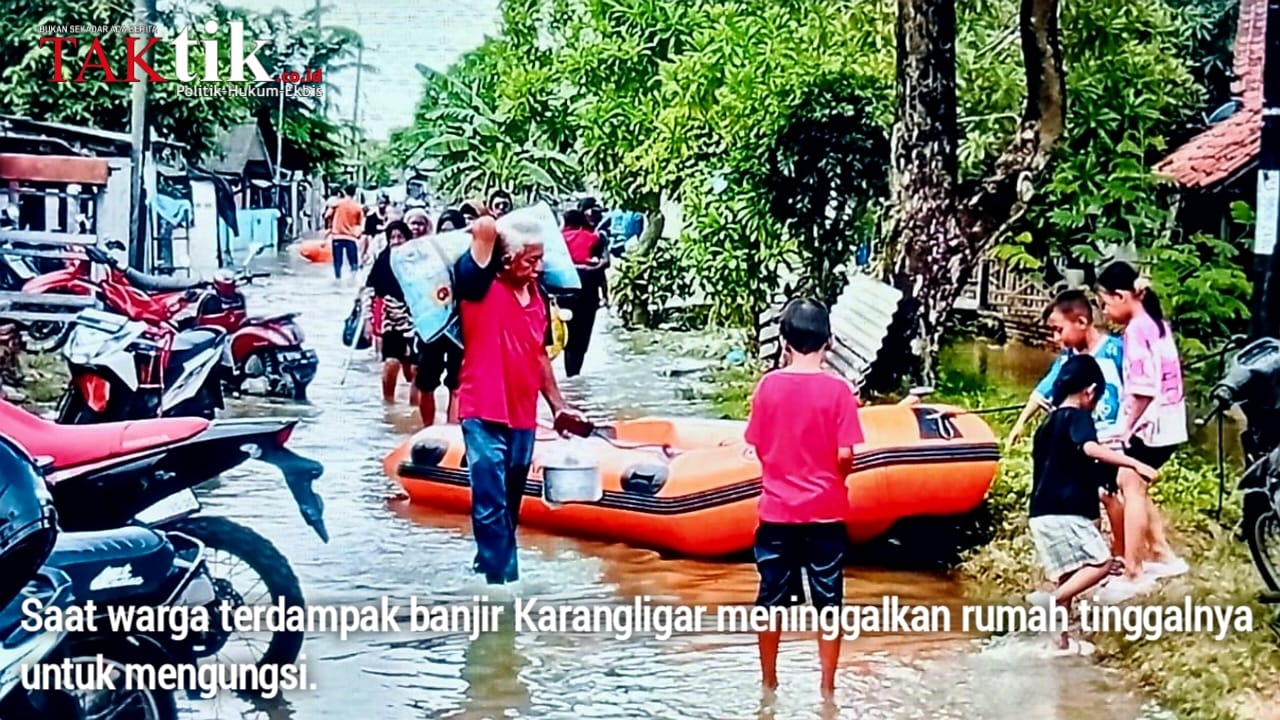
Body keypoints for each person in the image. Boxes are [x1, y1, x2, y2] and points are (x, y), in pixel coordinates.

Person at [454, 215, 585, 586]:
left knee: (510, 502)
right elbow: (484, 229)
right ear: (505, 261)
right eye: (529, 260)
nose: (538, 267)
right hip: (482, 408)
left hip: (522, 412)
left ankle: (487, 567)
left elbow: (539, 355)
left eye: (541, 259)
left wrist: (558, 406)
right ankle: (503, 586)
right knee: (490, 500)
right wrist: (485, 224)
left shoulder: (538, 297)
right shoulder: (477, 285)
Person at [743, 299, 862, 699]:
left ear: (783, 341)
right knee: (828, 602)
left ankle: (768, 683)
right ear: (829, 342)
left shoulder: (768, 386)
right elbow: (845, 455)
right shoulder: (840, 392)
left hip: (777, 512)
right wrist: (834, 479)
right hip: (826, 513)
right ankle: (827, 689)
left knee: (770, 598)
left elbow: (759, 446)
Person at [1025, 354, 1160, 650]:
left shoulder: (1046, 425)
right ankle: (1052, 603)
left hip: (1040, 513)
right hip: (1066, 512)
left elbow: (1065, 463)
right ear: (1090, 391)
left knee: (1069, 577)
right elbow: (1089, 448)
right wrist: (1135, 464)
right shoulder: (1078, 416)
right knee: (1100, 564)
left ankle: (1059, 643)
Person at [1008, 290, 1127, 562]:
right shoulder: (1068, 358)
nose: (1056, 338)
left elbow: (1137, 388)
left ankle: (1120, 552)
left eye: (1058, 330)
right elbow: (1046, 389)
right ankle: (1090, 555)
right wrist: (1020, 423)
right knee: (1088, 494)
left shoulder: (1116, 351)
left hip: (1110, 435)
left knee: (1108, 493)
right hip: (1078, 437)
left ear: (1082, 322)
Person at [1097, 261, 1189, 589]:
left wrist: (1124, 430)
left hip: (1151, 426)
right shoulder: (1156, 323)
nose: (1105, 311)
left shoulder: (1136, 331)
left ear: (1122, 296)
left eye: (1105, 303)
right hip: (1171, 421)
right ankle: (1162, 555)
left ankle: (1133, 570)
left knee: (1130, 484)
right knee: (1134, 483)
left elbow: (1142, 390)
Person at [410, 207, 463, 426]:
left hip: (460, 328)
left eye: (452, 230)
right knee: (426, 382)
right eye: (444, 230)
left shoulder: (468, 258)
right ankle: (427, 428)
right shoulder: (425, 258)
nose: (447, 235)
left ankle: (452, 429)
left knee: (457, 383)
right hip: (432, 327)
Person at [363, 221, 417, 403]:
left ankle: (414, 409)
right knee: (390, 363)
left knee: (415, 371)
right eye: (392, 237)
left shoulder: (419, 260)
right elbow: (369, 290)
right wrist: (368, 320)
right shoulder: (383, 261)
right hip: (392, 321)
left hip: (418, 320)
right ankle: (388, 404)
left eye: (400, 237)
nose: (396, 241)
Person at [560, 209, 608, 377]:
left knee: (563, 336)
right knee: (580, 340)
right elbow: (604, 265)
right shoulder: (595, 238)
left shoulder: (558, 239)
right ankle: (573, 377)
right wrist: (606, 295)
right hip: (588, 293)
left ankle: (559, 380)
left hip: (563, 295)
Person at [330, 184, 365, 283]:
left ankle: (338, 280)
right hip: (351, 237)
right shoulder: (358, 207)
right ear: (355, 193)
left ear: (344, 192)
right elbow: (359, 224)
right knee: (354, 262)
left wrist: (331, 226)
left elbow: (327, 215)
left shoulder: (337, 204)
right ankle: (353, 281)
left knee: (338, 262)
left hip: (337, 236)